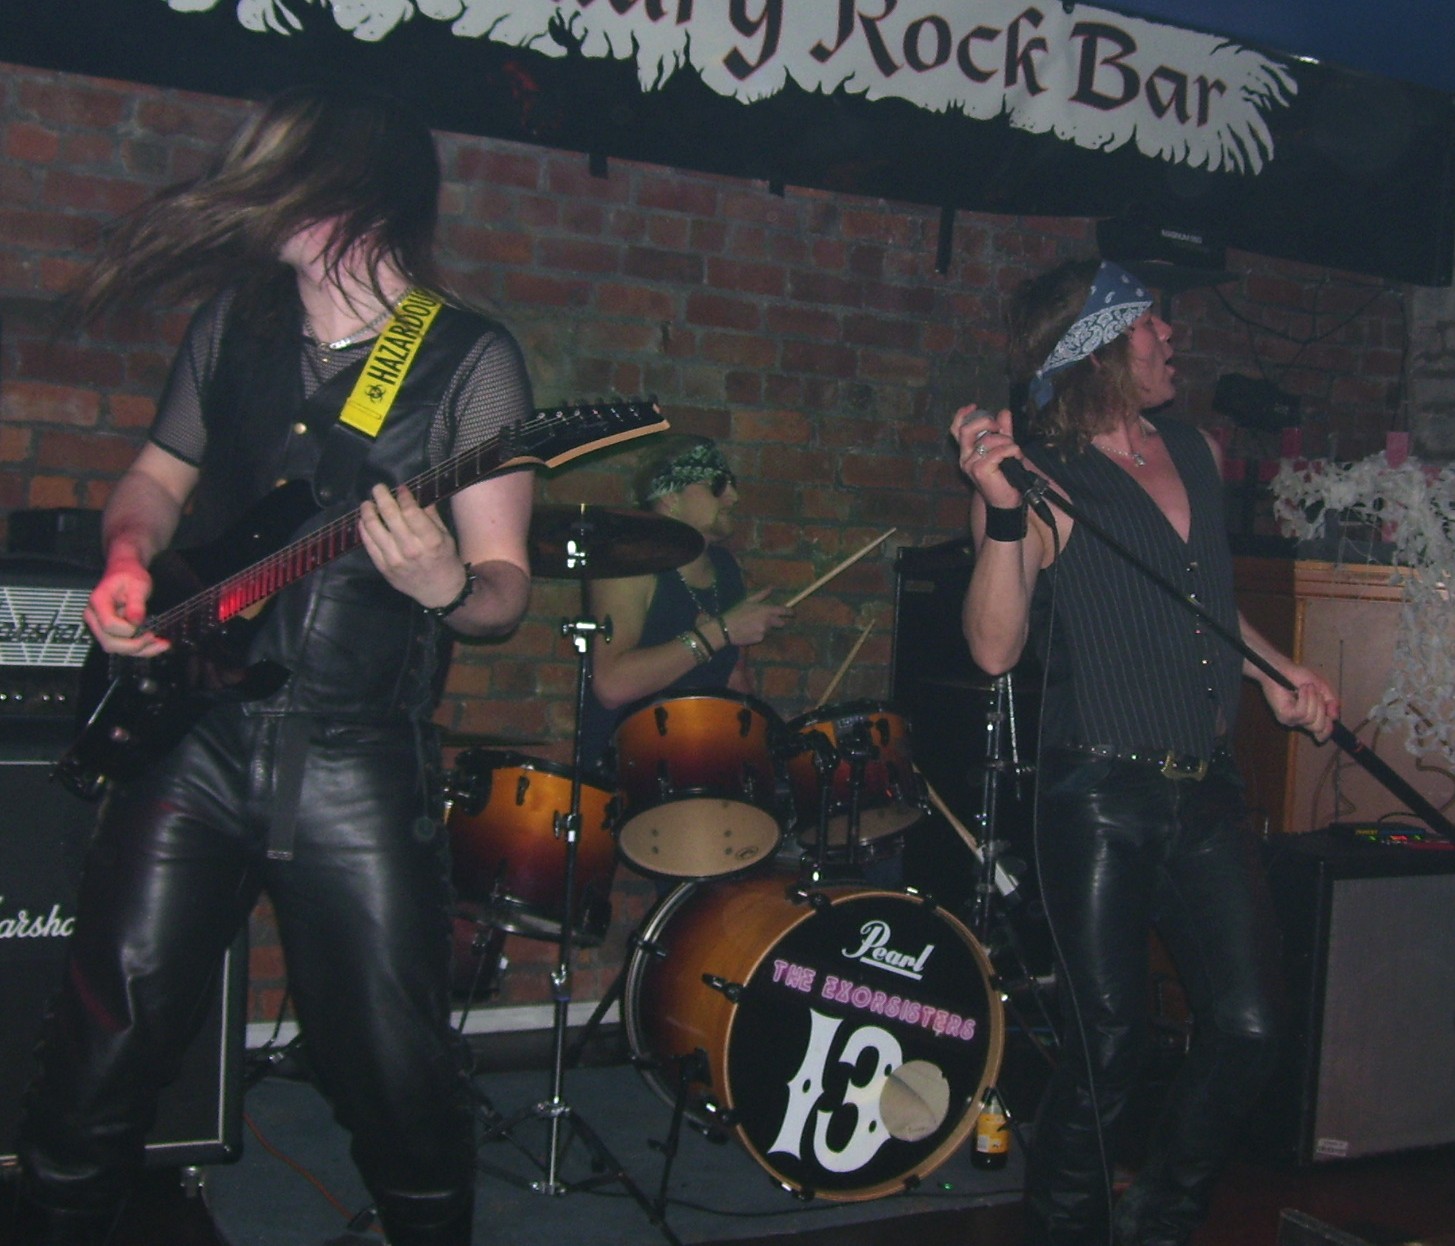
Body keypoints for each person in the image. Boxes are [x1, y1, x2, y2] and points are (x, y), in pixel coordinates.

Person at [17, 85, 535, 1246]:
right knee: (102, 1043)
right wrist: (127, 561)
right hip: (194, 740)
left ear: (359, 191)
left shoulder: (467, 357)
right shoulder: (236, 324)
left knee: (395, 1073)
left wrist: (446, 585)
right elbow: (156, 478)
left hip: (356, 759)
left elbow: (505, 587)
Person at [949, 257, 1339, 1246]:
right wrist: (1000, 507)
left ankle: (1158, 1221)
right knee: (1109, 1048)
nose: (1170, 337)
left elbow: (1202, 603)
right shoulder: (1037, 474)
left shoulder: (1193, 449)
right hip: (1097, 792)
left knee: (1251, 1025)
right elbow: (992, 646)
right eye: (1150, 323)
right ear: (1098, 347)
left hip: (1204, 789)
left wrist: (1276, 671)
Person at [576, 436, 791, 873]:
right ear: (670, 497)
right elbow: (611, 684)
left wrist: (782, 748)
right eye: (718, 485)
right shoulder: (628, 563)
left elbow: (735, 685)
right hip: (631, 768)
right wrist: (721, 631)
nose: (734, 497)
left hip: (703, 766)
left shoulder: (725, 569)